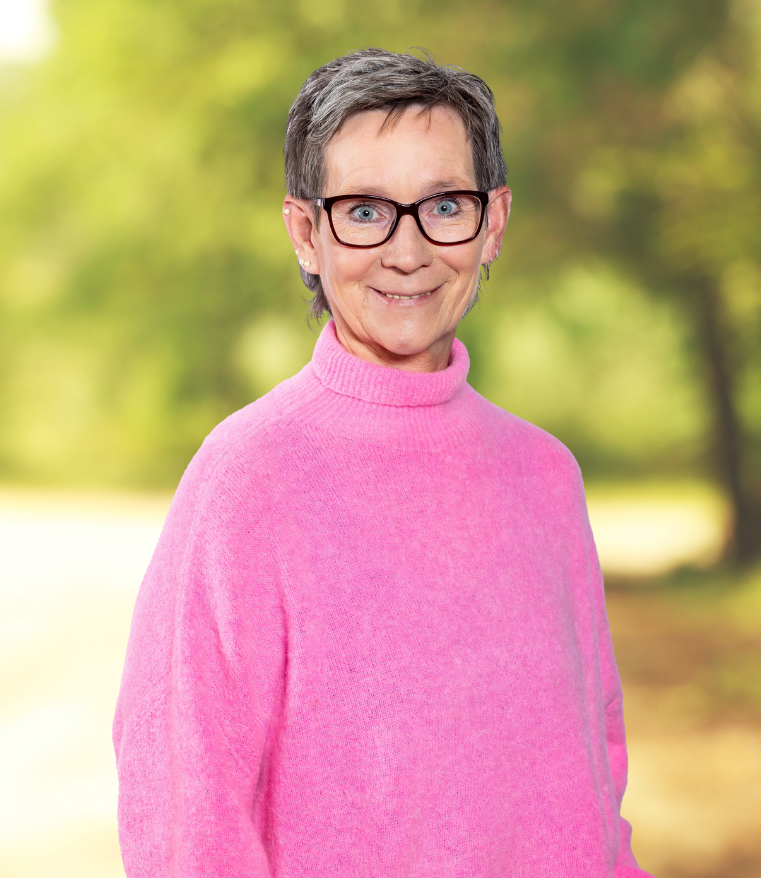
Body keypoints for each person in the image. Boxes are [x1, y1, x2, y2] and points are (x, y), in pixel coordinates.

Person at [113, 48, 652, 877]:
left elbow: (594, 779)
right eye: (365, 211)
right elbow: (188, 813)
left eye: (445, 205)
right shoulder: (248, 480)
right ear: (306, 233)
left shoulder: (547, 476)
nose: (408, 251)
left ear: (494, 222)